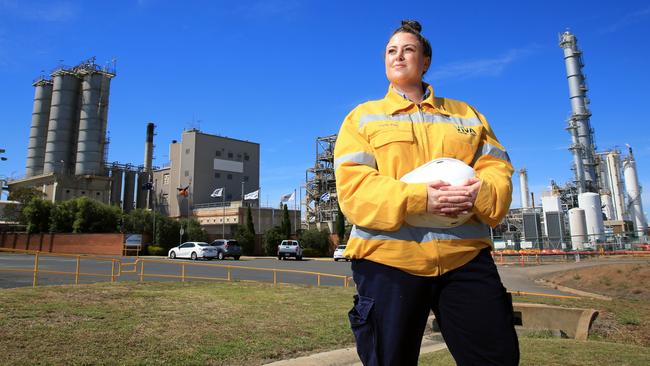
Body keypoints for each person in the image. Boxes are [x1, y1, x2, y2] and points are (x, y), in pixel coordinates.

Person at [334, 20, 519, 366]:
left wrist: (478, 194)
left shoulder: (467, 115)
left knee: (497, 358)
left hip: (464, 259)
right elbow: (354, 189)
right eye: (391, 51)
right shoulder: (362, 118)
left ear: (426, 61)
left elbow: (498, 173)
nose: (398, 56)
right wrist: (420, 199)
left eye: (408, 49)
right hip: (388, 261)